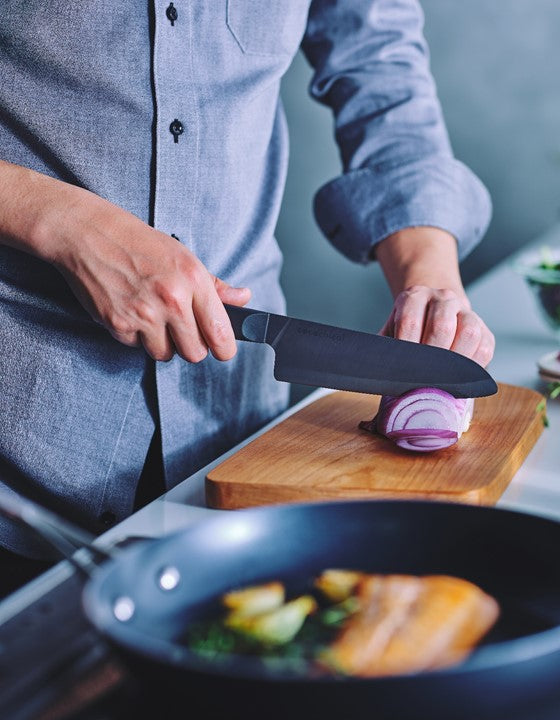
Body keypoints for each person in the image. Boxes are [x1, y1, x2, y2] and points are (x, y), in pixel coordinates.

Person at [0, 0, 494, 597]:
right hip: (19, 458)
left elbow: (378, 62)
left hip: (240, 437)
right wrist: (61, 222)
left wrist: (430, 273)